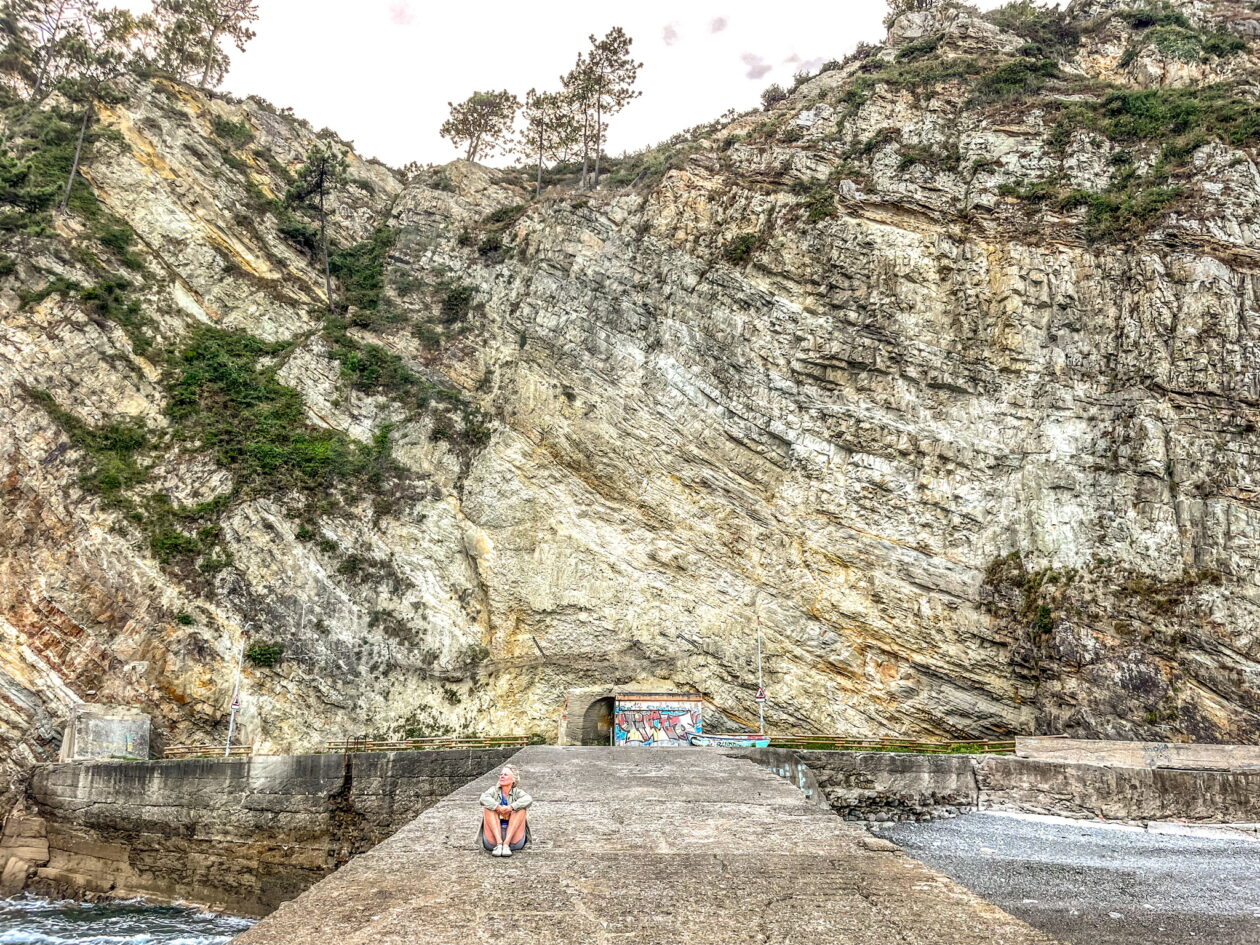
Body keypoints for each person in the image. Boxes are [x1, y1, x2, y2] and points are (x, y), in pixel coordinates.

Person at [478, 764, 532, 856]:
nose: (502, 776)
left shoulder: (517, 792)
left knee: (520, 809)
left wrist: (510, 807)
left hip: (514, 839)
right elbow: (483, 798)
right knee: (489, 808)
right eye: (501, 774)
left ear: (513, 779)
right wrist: (498, 807)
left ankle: (506, 844)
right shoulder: (493, 790)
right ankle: (499, 844)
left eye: (505, 775)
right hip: (493, 839)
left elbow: (528, 799)